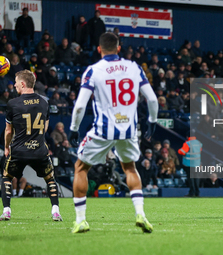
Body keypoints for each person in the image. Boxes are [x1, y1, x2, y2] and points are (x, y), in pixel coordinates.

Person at [68, 32, 158, 233]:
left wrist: (74, 128)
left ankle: (81, 220)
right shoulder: (134, 68)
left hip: (103, 130)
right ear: (119, 48)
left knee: (81, 168)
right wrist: (152, 121)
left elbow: (80, 105)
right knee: (130, 168)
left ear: (99, 49)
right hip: (129, 130)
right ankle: (141, 215)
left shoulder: (93, 70)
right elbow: (152, 100)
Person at [0, 70, 62, 221]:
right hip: (39, 150)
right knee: (50, 179)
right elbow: (45, 128)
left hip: (19, 151)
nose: (14, 85)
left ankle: (6, 211)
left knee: (6, 178)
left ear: (22, 83)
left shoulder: (13, 104)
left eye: (16, 82)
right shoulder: (44, 102)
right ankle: (55, 211)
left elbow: (8, 131)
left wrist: (7, 147)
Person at [178, 131, 202, 197]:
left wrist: (179, 150)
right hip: (197, 164)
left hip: (189, 164)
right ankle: (197, 192)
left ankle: (192, 192)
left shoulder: (187, 143)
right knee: (196, 178)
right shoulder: (199, 143)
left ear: (187, 136)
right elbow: (200, 150)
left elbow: (182, 152)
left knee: (190, 179)